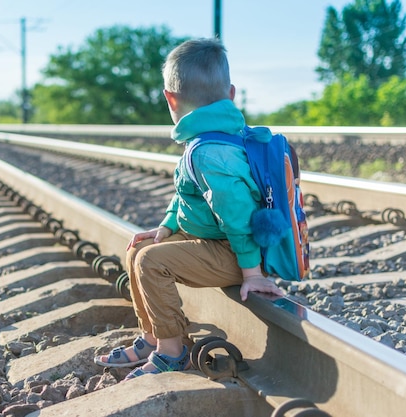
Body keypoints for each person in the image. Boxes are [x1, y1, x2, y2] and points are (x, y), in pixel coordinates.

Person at [93, 37, 284, 380]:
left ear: (171, 99)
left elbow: (237, 216)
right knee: (141, 249)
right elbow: (186, 193)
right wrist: (166, 227)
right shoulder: (207, 140)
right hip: (214, 239)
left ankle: (172, 351)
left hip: (235, 251)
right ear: (231, 94)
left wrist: (252, 274)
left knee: (152, 262)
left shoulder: (210, 152)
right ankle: (154, 336)